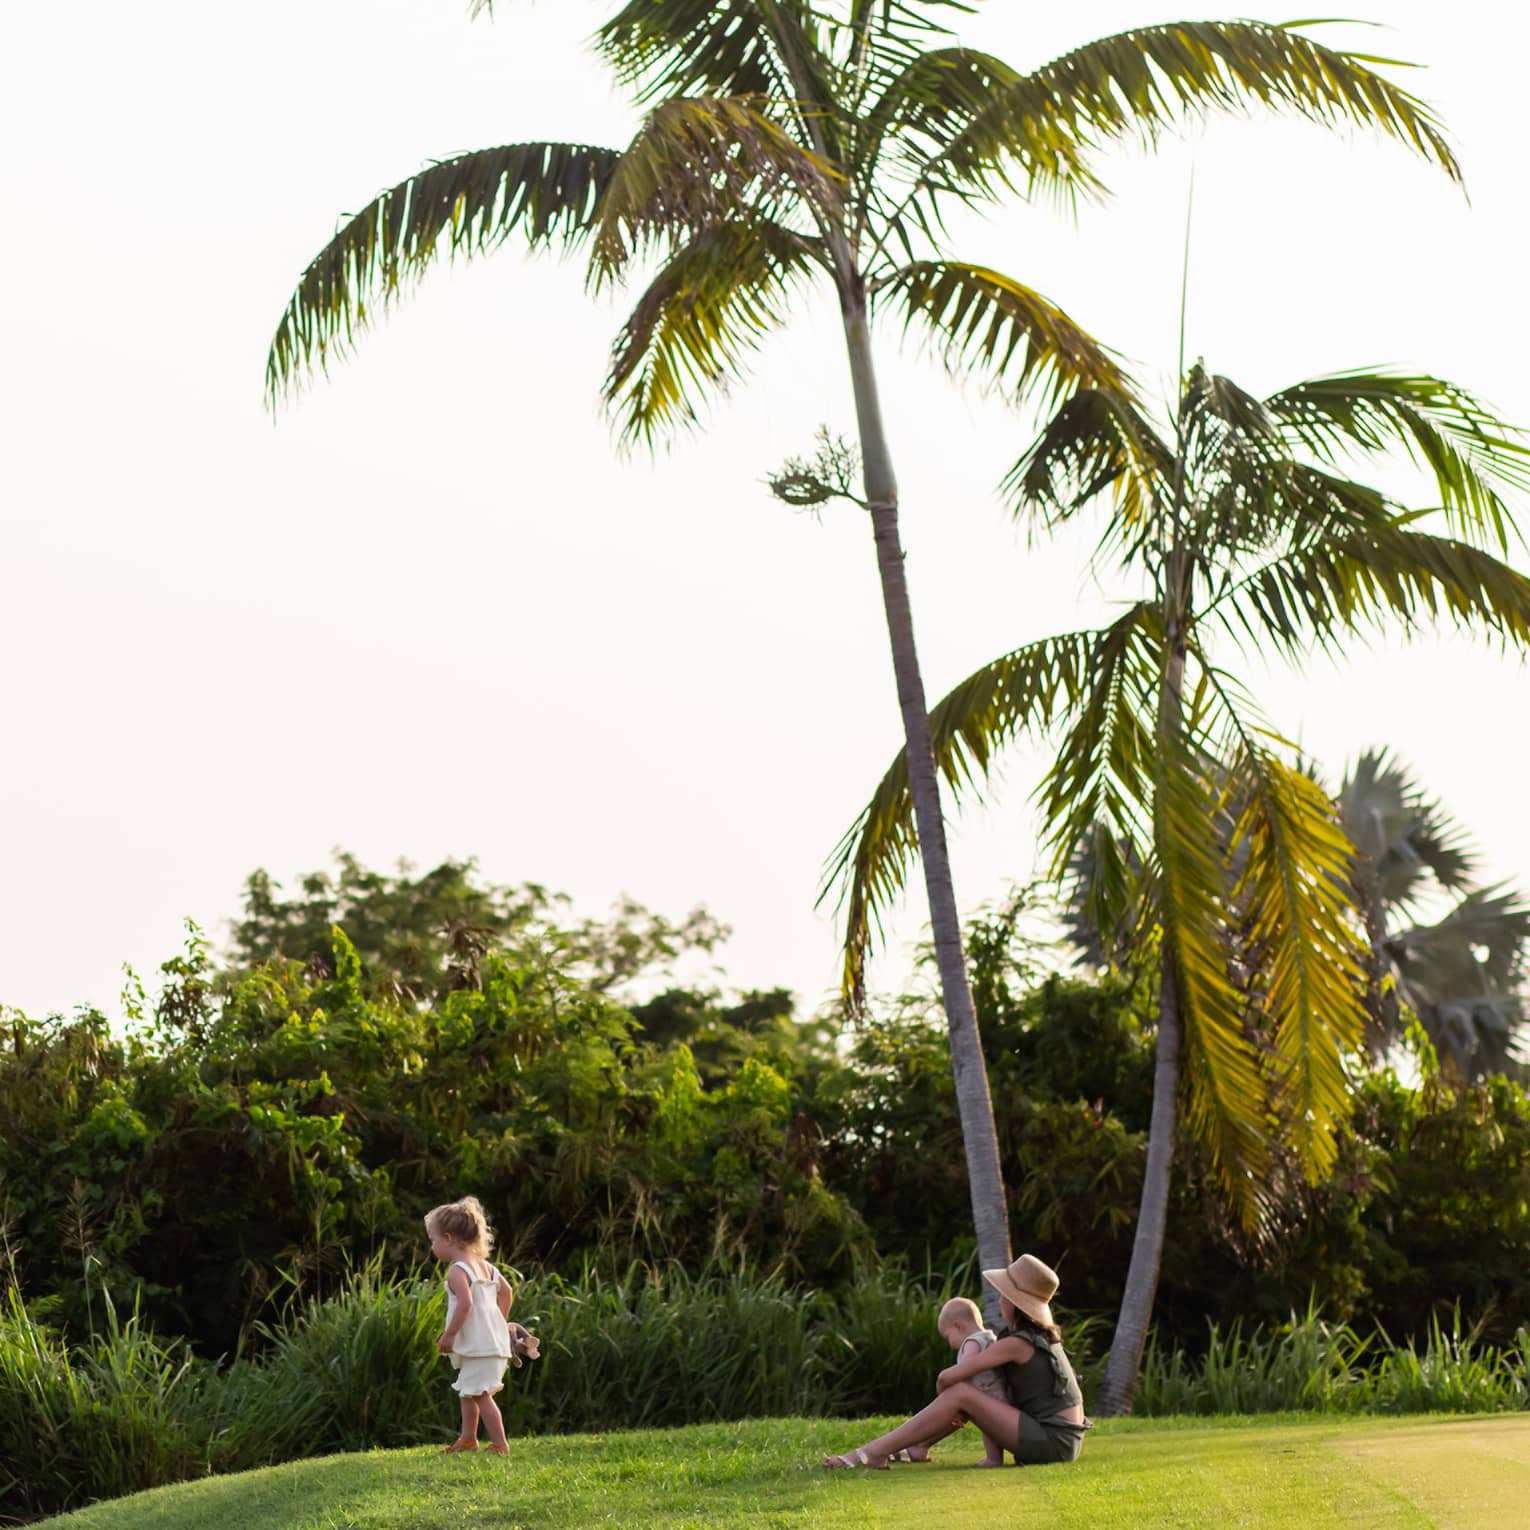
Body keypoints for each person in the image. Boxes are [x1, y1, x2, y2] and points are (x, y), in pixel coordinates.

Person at [824, 1254, 1089, 1470]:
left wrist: (948, 1398)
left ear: (1015, 1303)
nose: (1000, 1300)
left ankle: (872, 1452)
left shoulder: (1016, 1344)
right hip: (1061, 1440)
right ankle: (914, 1447)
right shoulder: (1036, 1339)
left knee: (962, 1393)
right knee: (972, 1394)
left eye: (1003, 1295)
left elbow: (948, 1378)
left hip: (1051, 1442)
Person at [426, 1195, 519, 1456]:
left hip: (477, 1344)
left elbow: (465, 1304)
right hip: (490, 1342)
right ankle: (468, 1439)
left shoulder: (458, 1270)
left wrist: (449, 1335)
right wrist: (497, 1321)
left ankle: (500, 1444)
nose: (432, 1246)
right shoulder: (487, 1267)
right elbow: (507, 1292)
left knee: (480, 1394)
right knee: (469, 1390)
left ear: (448, 1238)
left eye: (433, 1240)